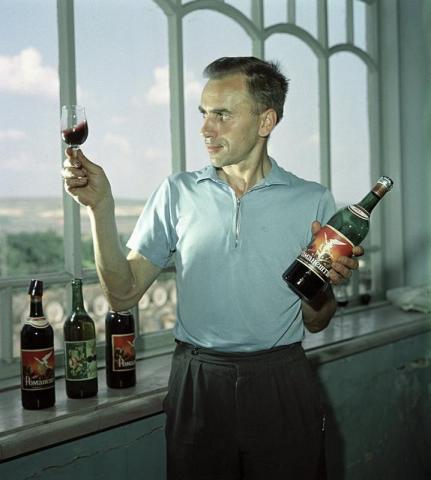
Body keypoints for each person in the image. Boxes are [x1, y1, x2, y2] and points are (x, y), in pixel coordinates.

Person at [62, 56, 363, 479]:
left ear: (265, 121)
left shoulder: (312, 200)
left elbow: (317, 321)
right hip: (197, 381)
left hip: (282, 379)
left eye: (221, 115)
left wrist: (320, 286)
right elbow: (122, 294)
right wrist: (100, 207)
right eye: (204, 114)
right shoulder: (177, 192)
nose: (206, 128)